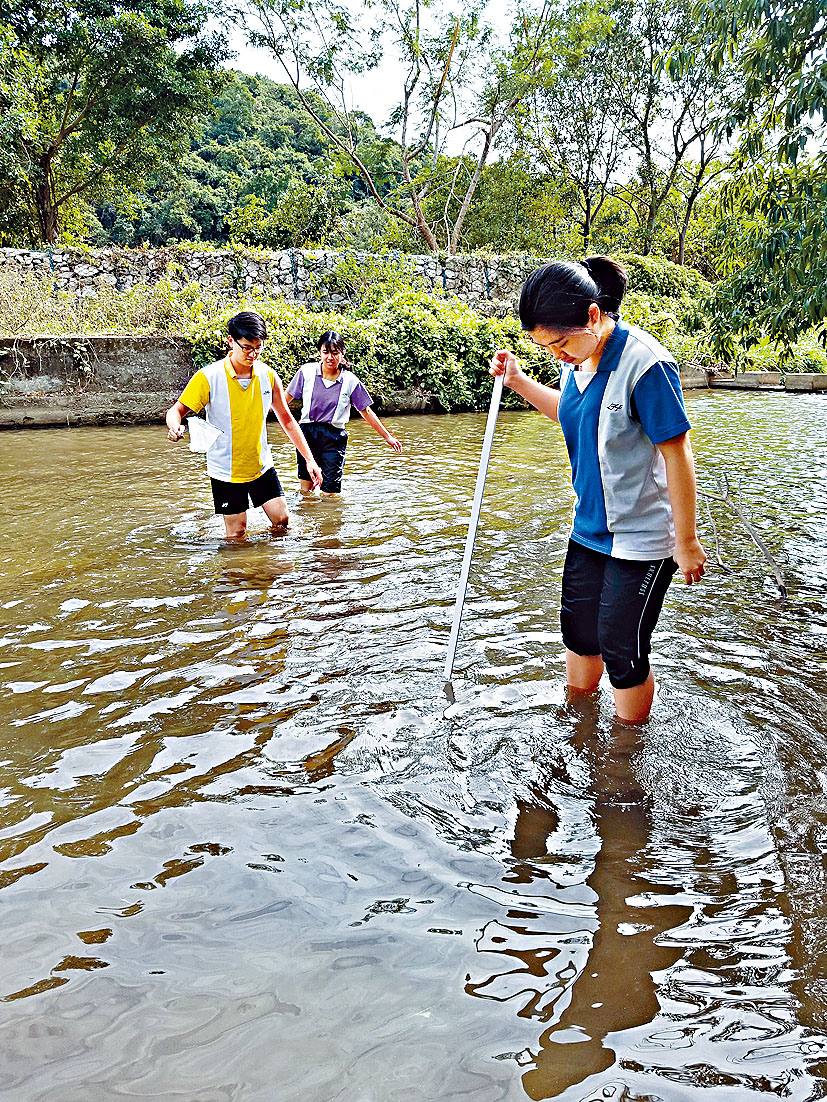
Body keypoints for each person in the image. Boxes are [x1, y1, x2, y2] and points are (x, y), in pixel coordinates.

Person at [490, 256, 707, 723]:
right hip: (589, 529)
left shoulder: (645, 365)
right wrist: (518, 381)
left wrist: (686, 542)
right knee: (579, 634)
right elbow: (570, 413)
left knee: (620, 649)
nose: (557, 354)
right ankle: (580, 727)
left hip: (643, 537)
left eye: (561, 342)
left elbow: (677, 453)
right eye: (546, 346)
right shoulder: (577, 360)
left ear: (592, 314)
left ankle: (625, 758)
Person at [165, 311, 322, 538]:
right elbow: (176, 411)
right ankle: (239, 572)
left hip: (261, 465)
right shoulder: (209, 376)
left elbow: (287, 420)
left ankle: (269, 567)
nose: (253, 353)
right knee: (237, 533)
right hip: (225, 471)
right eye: (246, 347)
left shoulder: (268, 376)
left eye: (258, 347)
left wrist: (309, 460)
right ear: (231, 341)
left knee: (282, 520)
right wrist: (175, 426)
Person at [286, 331, 402, 495]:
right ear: (319, 352)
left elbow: (366, 411)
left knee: (330, 492)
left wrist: (387, 437)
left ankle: (329, 519)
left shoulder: (350, 381)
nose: (330, 358)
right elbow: (283, 402)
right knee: (306, 491)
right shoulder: (306, 372)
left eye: (335, 353)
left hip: (334, 438)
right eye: (325, 352)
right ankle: (306, 519)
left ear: (342, 354)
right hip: (307, 435)